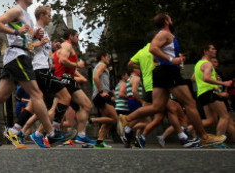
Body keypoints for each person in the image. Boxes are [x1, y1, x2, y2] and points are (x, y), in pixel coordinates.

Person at [0, 0, 73, 148]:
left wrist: (33, 35)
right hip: (18, 56)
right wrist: (15, 33)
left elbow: (26, 37)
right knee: (37, 94)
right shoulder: (16, 11)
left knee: (0, 96)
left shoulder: (26, 16)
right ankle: (51, 133)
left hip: (17, 56)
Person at [121, 13, 225, 147]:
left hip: (161, 72)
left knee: (156, 107)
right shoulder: (164, 34)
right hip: (169, 72)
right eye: (170, 18)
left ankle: (127, 119)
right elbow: (153, 49)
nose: (172, 20)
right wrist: (172, 59)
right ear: (166, 21)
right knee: (190, 103)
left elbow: (154, 56)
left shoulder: (165, 36)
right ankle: (204, 136)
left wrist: (176, 59)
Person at [6, 6, 72, 148]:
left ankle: (15, 129)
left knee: (35, 103)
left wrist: (52, 47)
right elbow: (27, 46)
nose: (51, 18)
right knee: (65, 97)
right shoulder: (35, 29)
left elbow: (41, 51)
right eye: (49, 15)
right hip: (39, 69)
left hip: (42, 69)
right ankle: (55, 132)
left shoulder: (45, 32)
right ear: (42, 15)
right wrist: (40, 43)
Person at [53, 28, 95, 145]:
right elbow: (62, 60)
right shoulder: (67, 46)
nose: (78, 38)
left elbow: (55, 61)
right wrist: (77, 64)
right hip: (65, 80)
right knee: (57, 110)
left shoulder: (63, 47)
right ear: (71, 37)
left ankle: (81, 135)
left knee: (87, 105)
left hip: (70, 80)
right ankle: (44, 133)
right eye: (76, 36)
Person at [194, 44, 234, 144]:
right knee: (225, 116)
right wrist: (223, 83)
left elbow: (196, 78)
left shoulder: (198, 64)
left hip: (202, 94)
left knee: (211, 120)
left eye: (215, 48)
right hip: (209, 92)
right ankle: (218, 142)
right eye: (212, 49)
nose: (215, 50)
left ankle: (191, 127)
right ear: (205, 51)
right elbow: (206, 78)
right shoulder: (208, 64)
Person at [90, 51, 117, 148]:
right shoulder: (101, 65)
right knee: (114, 118)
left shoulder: (101, 66)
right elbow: (95, 77)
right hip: (101, 95)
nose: (109, 59)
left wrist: (110, 93)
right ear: (103, 57)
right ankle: (91, 120)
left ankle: (99, 141)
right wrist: (101, 92)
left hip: (102, 95)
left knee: (108, 120)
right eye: (108, 57)